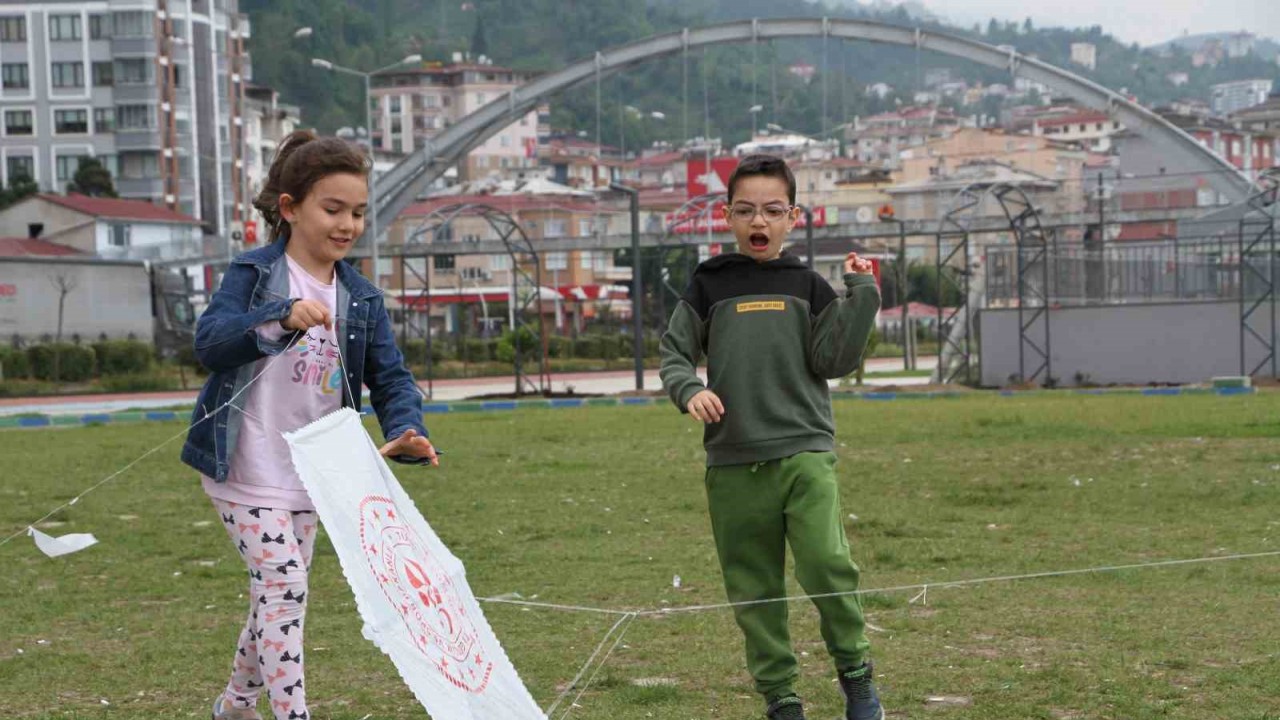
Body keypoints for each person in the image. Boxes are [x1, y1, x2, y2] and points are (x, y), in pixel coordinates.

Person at [180, 130, 438, 720]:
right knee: (284, 587)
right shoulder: (253, 273)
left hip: (313, 474)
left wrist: (405, 428)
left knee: (278, 594)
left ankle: (237, 705)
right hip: (242, 467)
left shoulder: (363, 299)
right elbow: (210, 343)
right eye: (333, 209)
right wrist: (279, 315)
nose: (347, 224)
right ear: (290, 208)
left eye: (358, 212)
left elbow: (391, 378)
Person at [659, 154, 884, 720]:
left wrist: (863, 294)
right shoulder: (708, 284)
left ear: (793, 217)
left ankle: (858, 679)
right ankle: (782, 700)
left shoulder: (809, 284)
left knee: (826, 564)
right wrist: (688, 390)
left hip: (805, 452)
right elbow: (674, 355)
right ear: (727, 216)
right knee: (755, 591)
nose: (759, 220)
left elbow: (834, 359)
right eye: (746, 210)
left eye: (772, 210)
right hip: (732, 461)